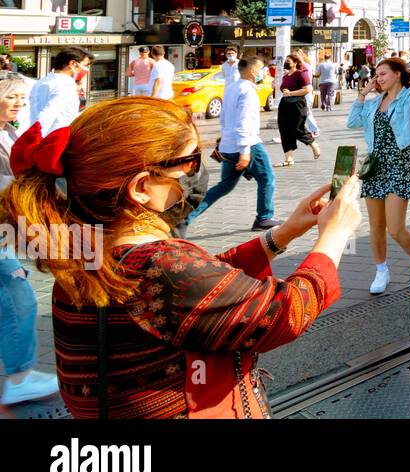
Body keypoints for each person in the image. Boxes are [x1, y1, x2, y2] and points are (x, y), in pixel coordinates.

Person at [0, 96, 361, 418]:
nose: (196, 172)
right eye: (189, 162)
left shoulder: (89, 245)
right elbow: (284, 312)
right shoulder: (159, 264)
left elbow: (203, 286)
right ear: (142, 187)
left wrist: (282, 235)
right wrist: (336, 234)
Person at [347, 58, 410, 294]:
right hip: (374, 167)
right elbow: (352, 122)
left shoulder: (408, 98)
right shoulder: (375, 102)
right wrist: (362, 94)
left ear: (397, 74)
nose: (379, 78)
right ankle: (381, 271)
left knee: (395, 228)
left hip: (397, 165)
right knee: (376, 225)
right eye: (377, 74)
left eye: (384, 73)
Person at [0, 72, 60, 406]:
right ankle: (20, 377)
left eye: (23, 97)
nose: (20, 103)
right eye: (12, 97)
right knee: (18, 296)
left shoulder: (9, 132)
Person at [185, 57, 281, 231]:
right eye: (261, 69)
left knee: (224, 186)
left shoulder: (231, 88)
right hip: (248, 144)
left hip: (229, 145)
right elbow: (244, 122)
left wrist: (224, 138)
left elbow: (224, 117)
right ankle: (264, 217)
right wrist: (245, 151)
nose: (263, 72)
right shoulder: (248, 92)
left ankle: (185, 218)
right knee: (267, 179)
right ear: (252, 71)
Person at [23, 48, 91, 136]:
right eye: (85, 65)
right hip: (54, 140)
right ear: (73, 64)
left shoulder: (42, 81)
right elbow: (47, 114)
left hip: (43, 137)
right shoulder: (65, 86)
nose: (86, 69)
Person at [276, 55, 320, 166]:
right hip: (285, 104)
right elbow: (284, 89)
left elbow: (307, 89)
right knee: (284, 130)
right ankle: (289, 158)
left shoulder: (301, 74)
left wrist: (290, 93)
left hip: (298, 104)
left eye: (288, 61)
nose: (286, 63)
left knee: (297, 129)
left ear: (295, 62)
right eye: (285, 61)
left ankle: (313, 143)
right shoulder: (285, 76)